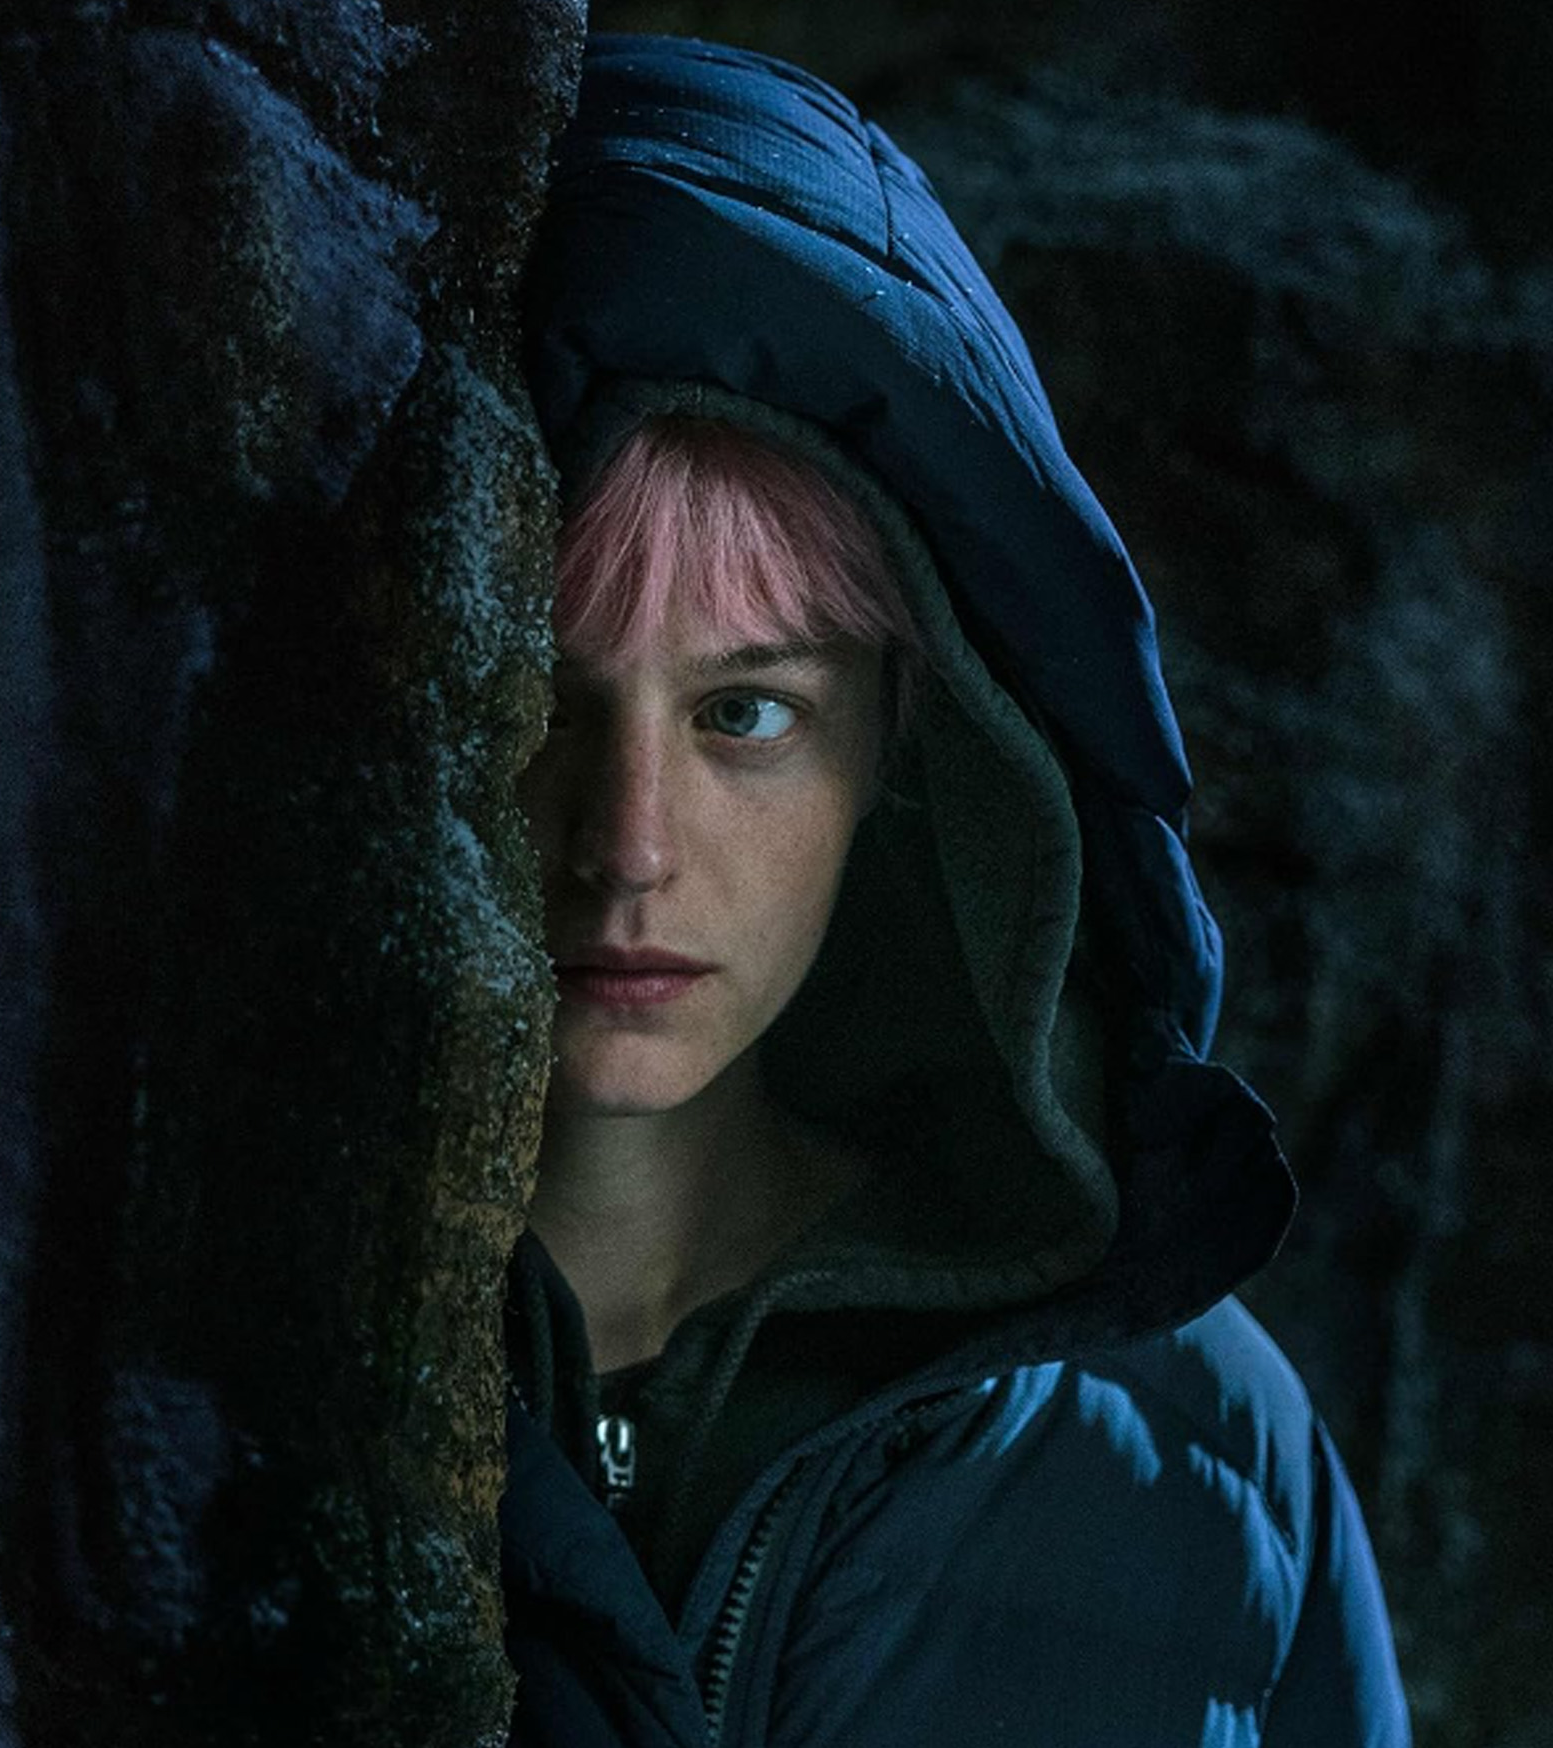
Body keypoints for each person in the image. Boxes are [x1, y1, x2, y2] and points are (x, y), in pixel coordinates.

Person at [498, 34, 1410, 1746]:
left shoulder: (1208, 1452)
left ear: (908, 748)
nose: (626, 843)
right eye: (541, 703)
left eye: (745, 714)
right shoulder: (174, 1358)